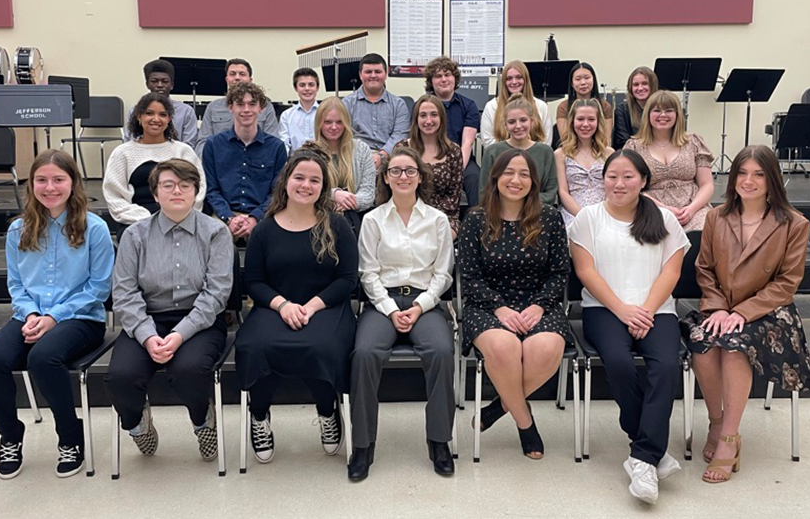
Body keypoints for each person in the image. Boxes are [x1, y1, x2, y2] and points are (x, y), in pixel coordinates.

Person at [682, 145, 810, 484]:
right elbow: (705, 269)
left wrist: (742, 311)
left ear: (772, 180)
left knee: (733, 347)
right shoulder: (716, 216)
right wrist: (718, 308)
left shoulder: (794, 224)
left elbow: (787, 282)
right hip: (720, 306)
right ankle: (715, 421)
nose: (748, 181)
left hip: (769, 312)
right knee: (703, 343)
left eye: (758, 174)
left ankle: (728, 437)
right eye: (742, 173)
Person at [0, 149, 114, 479]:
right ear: (31, 184)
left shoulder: (93, 228)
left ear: (73, 183)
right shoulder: (17, 230)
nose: (49, 187)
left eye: (58, 179)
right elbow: (16, 284)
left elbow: (100, 287)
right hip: (30, 315)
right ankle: (10, 435)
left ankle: (70, 437)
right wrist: (32, 315)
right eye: (41, 180)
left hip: (81, 318)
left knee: (44, 358)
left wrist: (54, 317)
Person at [569, 149, 690, 504]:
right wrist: (622, 310)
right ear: (603, 180)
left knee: (666, 366)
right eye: (612, 176)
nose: (619, 184)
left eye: (628, 177)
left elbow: (672, 271)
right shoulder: (588, 218)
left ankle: (642, 458)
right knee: (619, 363)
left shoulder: (665, 218)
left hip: (657, 311)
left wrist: (646, 310)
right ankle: (651, 452)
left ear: (643, 181)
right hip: (605, 309)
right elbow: (585, 272)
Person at [235, 146, 358, 464]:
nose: (306, 185)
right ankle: (259, 416)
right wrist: (283, 305)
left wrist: (312, 306)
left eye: (314, 180)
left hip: (327, 307)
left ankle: (327, 410)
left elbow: (347, 279)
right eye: (299, 177)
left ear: (323, 188)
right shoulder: (264, 229)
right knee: (254, 346)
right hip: (275, 307)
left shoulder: (337, 225)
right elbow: (255, 282)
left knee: (322, 347)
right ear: (286, 181)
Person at [106, 159, 233, 462]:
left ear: (195, 192)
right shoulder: (134, 235)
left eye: (185, 185)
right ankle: (137, 424)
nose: (177, 190)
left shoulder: (216, 232)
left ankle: (203, 421)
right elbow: (124, 294)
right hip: (146, 318)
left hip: (199, 320)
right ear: (155, 192)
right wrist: (149, 337)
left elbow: (216, 294)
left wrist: (178, 335)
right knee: (120, 377)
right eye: (168, 185)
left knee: (188, 370)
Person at [350, 145, 455, 481]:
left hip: (426, 302)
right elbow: (368, 273)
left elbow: (444, 274)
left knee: (440, 351)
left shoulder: (438, 220)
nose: (403, 176)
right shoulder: (373, 219)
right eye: (395, 170)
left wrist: (421, 306)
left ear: (420, 176)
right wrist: (392, 310)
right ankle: (363, 445)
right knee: (365, 353)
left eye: (410, 170)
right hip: (383, 303)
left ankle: (439, 440)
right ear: (386, 177)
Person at [459, 149, 570, 461]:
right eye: (508, 173)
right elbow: (469, 275)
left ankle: (498, 407)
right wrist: (498, 307)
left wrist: (539, 305)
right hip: (487, 305)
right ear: (495, 178)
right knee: (505, 347)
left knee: (546, 349)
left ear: (534, 182)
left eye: (524, 174)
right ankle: (525, 423)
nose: (515, 180)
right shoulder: (476, 219)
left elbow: (560, 271)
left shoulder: (549, 217)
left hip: (539, 303)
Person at [103, 93, 205, 239]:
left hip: (180, 220)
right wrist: (148, 219)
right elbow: (114, 196)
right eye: (149, 113)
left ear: (169, 119)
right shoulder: (122, 153)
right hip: (137, 222)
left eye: (163, 114)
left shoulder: (183, 151)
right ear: (139, 117)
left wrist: (176, 217)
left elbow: (199, 189)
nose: (156, 119)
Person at [202, 82, 288, 240]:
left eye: (252, 104)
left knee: (270, 239)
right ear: (230, 107)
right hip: (223, 215)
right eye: (240, 104)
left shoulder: (276, 147)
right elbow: (211, 190)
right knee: (216, 238)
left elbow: (277, 192)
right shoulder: (213, 145)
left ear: (261, 108)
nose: (246, 110)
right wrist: (229, 218)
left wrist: (255, 218)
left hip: (263, 215)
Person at [624, 90, 714, 231]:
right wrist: (664, 209)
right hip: (652, 207)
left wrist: (691, 209)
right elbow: (632, 187)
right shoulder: (634, 147)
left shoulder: (693, 142)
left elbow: (707, 184)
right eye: (657, 110)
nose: (663, 115)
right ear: (648, 114)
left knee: (703, 231)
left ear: (677, 115)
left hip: (693, 207)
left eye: (669, 110)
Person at [397, 94, 463, 238]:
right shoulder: (402, 148)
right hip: (406, 214)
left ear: (441, 119)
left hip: (443, 216)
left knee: (441, 237)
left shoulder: (454, 151)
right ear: (416, 119)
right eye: (423, 115)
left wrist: (430, 219)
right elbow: (395, 191)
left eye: (434, 115)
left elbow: (453, 197)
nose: (428, 121)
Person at [424, 56, 481, 206]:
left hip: (463, 159)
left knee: (475, 178)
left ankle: (476, 223)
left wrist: (456, 169)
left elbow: (467, 143)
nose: (443, 79)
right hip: (430, 157)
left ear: (454, 78)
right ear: (431, 82)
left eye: (447, 74)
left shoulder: (469, 106)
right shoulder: (423, 106)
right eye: (438, 76)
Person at [481, 94, 558, 205]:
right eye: (512, 122)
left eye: (523, 120)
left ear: (532, 122)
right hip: (500, 213)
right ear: (505, 126)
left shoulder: (545, 152)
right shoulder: (492, 152)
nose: (518, 126)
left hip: (536, 213)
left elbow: (550, 193)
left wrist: (520, 202)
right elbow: (485, 192)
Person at [196, 58, 280, 157]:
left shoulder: (265, 106)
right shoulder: (213, 107)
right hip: (220, 161)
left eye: (242, 74)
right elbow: (202, 142)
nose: (237, 77)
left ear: (250, 79)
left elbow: (272, 141)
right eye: (232, 74)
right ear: (226, 79)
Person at [314, 98, 376, 230]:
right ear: (319, 123)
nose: (334, 127)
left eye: (339, 122)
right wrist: (334, 195)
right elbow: (307, 192)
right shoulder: (310, 152)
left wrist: (344, 201)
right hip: (318, 219)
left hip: (355, 219)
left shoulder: (362, 149)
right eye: (328, 122)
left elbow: (368, 194)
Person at [343, 53, 410, 170]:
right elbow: (344, 134)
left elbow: (400, 135)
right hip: (355, 159)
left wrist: (382, 156)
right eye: (368, 72)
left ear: (386, 74)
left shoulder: (398, 104)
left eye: (378, 72)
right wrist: (362, 156)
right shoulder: (347, 103)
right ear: (360, 75)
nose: (373, 76)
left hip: (391, 159)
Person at [555, 99, 614, 227]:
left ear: (598, 122)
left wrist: (602, 214)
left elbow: (612, 189)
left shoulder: (609, 153)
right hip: (574, 214)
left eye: (591, 119)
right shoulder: (561, 154)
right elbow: (563, 192)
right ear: (572, 122)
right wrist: (584, 216)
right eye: (580, 119)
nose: (585, 124)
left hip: (606, 212)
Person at [123, 59, 199, 148]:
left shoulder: (186, 111)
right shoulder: (135, 111)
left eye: (165, 81)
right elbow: (130, 141)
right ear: (147, 84)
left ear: (172, 85)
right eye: (154, 81)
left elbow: (189, 145)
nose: (159, 85)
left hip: (176, 159)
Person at [480, 60, 553, 148]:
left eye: (519, 77)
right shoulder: (491, 107)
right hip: (502, 160)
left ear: (526, 80)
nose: (514, 82)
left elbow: (545, 141)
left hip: (534, 160)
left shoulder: (541, 106)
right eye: (509, 78)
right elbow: (488, 142)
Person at [556, 63, 613, 144]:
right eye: (578, 79)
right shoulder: (564, 107)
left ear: (593, 79)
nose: (583, 82)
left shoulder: (605, 106)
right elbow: (565, 139)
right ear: (572, 83)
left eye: (587, 78)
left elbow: (606, 139)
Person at [613, 67, 658, 149]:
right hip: (631, 156)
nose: (640, 88)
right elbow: (622, 141)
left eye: (645, 83)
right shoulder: (622, 110)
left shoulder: (661, 110)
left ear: (653, 85)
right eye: (636, 85)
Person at [279, 67, 320, 154]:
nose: (307, 88)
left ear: (317, 87)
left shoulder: (325, 112)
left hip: (322, 162)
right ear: (295, 88)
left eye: (311, 84)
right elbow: (284, 143)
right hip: (295, 163)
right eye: (302, 85)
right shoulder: (286, 115)